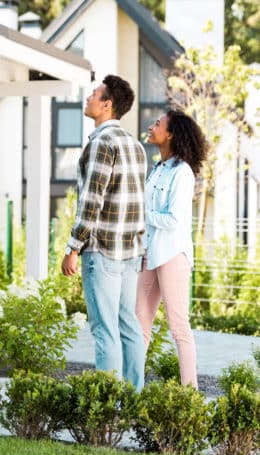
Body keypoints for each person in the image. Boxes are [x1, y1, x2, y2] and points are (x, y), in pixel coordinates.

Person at [61, 74, 147, 391]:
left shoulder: (101, 143)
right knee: (129, 327)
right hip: (130, 253)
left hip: (102, 251)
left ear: (107, 104)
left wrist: (73, 247)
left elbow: (91, 200)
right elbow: (141, 202)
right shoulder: (135, 146)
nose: (88, 98)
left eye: (94, 94)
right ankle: (133, 399)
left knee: (105, 329)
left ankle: (108, 406)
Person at [135, 109, 207, 388]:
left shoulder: (182, 173)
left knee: (179, 328)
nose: (151, 126)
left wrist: (139, 214)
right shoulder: (157, 170)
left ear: (171, 134)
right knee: (138, 326)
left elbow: (173, 219)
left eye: (157, 123)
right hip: (149, 254)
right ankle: (131, 393)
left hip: (172, 255)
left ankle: (189, 396)